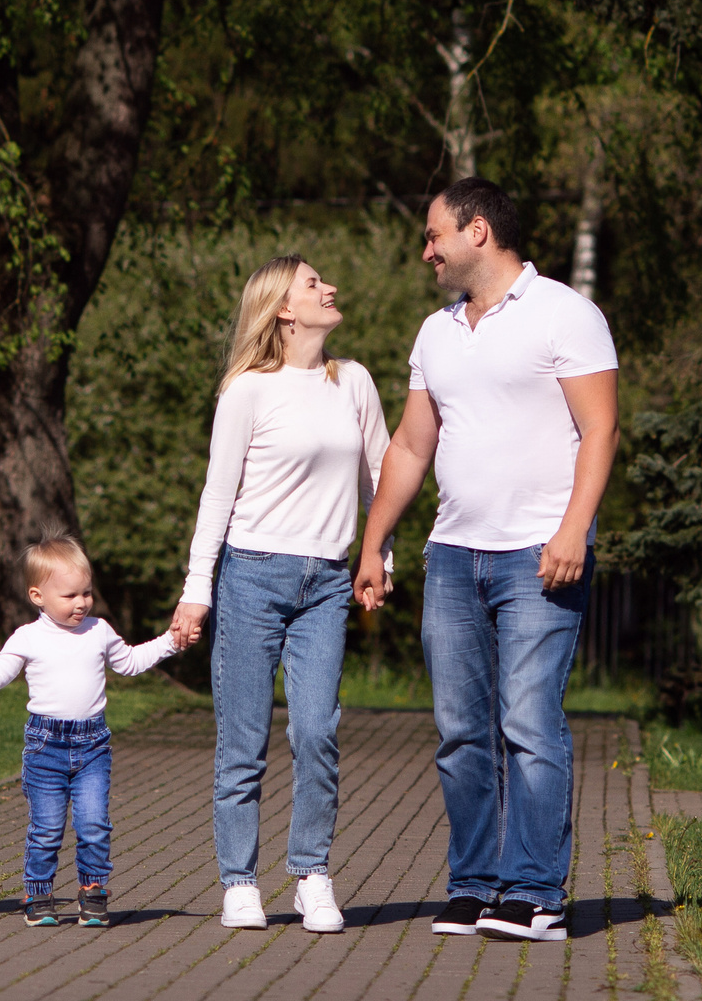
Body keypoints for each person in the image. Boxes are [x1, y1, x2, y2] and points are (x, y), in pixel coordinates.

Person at [354, 177, 619, 943]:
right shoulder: (436, 332)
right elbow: (410, 445)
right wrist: (374, 543)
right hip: (452, 556)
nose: (426, 252)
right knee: (460, 729)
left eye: (434, 236)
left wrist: (574, 530)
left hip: (540, 553)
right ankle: (475, 886)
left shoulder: (566, 313)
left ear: (477, 231)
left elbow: (599, 431)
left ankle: (537, 894)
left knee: (529, 722)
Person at [168, 257, 389, 935]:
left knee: (317, 729)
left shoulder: (352, 381)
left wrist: (380, 558)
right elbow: (217, 495)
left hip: (326, 581)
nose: (330, 288)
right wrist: (195, 591)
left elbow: (383, 473)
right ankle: (239, 881)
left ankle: (311, 874)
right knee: (242, 739)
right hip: (251, 577)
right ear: (284, 311)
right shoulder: (247, 392)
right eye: (314, 283)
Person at [0, 537, 183, 928]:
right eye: (70, 595)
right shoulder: (28, 637)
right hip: (45, 747)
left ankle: (93, 892)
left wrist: (171, 642)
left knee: (93, 823)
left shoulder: (99, 630)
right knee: (47, 828)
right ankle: (39, 893)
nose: (81, 603)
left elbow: (130, 661)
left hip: (93, 745)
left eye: (87, 593)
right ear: (37, 595)